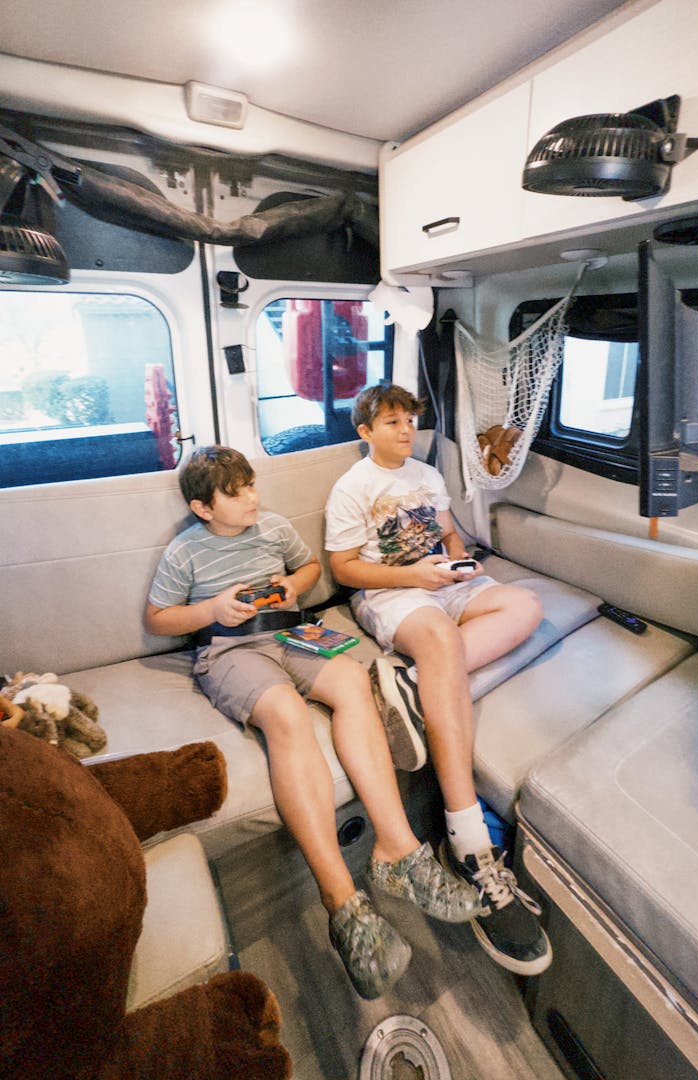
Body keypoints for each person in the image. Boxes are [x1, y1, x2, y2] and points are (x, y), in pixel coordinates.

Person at [145, 445, 480, 1001]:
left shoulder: (273, 527)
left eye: (253, 485)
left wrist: (294, 588)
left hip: (291, 633)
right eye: (237, 492)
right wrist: (211, 611)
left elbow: (309, 567)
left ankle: (397, 849)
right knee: (286, 713)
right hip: (229, 647)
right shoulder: (185, 552)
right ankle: (342, 902)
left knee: (352, 681)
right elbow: (158, 618)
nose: (253, 497)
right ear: (203, 507)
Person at [325, 384, 552, 976]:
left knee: (526, 605)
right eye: (392, 422)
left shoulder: (426, 474)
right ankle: (469, 837)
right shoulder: (353, 486)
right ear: (365, 432)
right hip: (391, 593)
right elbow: (344, 569)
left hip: (444, 583)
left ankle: (410, 684)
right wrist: (415, 578)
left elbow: (448, 534)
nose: (406, 429)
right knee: (442, 642)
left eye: (410, 420)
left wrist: (460, 564)